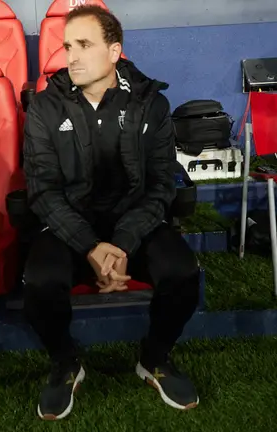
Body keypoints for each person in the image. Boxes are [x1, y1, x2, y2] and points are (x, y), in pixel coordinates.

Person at [22, 5, 200, 420]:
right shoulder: (45, 108)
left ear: (114, 51)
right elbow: (43, 190)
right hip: (70, 228)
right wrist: (90, 246)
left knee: (183, 272)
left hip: (134, 226)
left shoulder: (152, 104)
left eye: (84, 45)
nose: (72, 57)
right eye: (68, 46)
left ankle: (155, 357)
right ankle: (65, 363)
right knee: (39, 280)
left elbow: (161, 185)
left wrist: (120, 244)